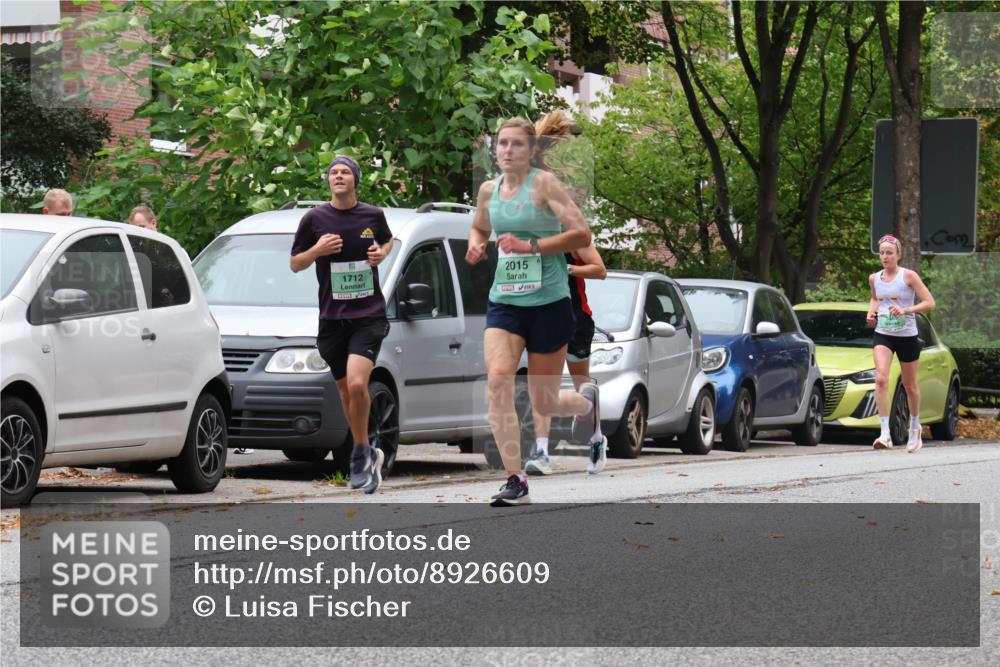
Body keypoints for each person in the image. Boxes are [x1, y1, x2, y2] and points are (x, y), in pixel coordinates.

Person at [466, 115, 596, 506]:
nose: (507, 150)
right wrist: (475, 245)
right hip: (505, 303)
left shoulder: (544, 185)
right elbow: (480, 228)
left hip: (550, 304)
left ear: (531, 150)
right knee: (498, 381)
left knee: (545, 401)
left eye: (516, 144)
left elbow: (582, 234)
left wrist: (532, 246)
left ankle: (588, 403)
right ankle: (515, 478)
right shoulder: (488, 191)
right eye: (502, 144)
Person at [291, 156, 394, 493]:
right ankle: (367, 452)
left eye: (344, 171)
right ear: (328, 181)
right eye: (333, 172)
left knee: (356, 385)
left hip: (368, 316)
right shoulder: (314, 218)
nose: (338, 176)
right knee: (345, 393)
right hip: (331, 319)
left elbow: (387, 240)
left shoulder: (372, 215)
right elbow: (295, 264)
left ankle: (360, 452)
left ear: (355, 180)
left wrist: (382, 253)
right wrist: (318, 250)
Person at [525, 243, 608, 475]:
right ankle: (541, 453)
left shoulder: (572, 238)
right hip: (544, 320)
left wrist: (567, 269)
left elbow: (600, 270)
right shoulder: (528, 241)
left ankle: (597, 440)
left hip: (576, 320)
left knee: (583, 387)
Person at [866, 234, 936, 453]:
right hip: (883, 333)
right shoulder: (874, 278)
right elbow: (876, 299)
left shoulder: (909, 276)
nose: (885, 257)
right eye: (882, 253)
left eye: (889, 253)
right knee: (881, 379)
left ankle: (915, 427)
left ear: (898, 255)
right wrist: (871, 313)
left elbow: (929, 302)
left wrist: (906, 310)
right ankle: (885, 433)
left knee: (910, 385)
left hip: (907, 335)